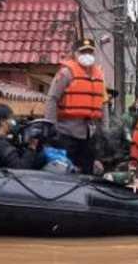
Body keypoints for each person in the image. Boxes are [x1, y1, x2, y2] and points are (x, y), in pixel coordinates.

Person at [44, 38, 107, 174]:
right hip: (66, 132)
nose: (87, 55)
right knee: (66, 171)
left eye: (90, 52)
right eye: (83, 52)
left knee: (87, 171)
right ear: (75, 53)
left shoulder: (99, 75)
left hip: (89, 134)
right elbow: (52, 99)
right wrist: (51, 127)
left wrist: (104, 130)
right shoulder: (66, 73)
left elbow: (103, 104)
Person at [0, 104, 41, 169]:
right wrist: (31, 147)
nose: (13, 121)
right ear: (2, 121)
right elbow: (20, 168)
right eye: (10, 118)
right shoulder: (2, 145)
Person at [94, 88, 129, 172]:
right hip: (93, 165)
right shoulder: (89, 119)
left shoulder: (119, 121)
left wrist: (124, 162)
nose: (108, 100)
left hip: (115, 166)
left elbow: (127, 144)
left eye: (110, 98)